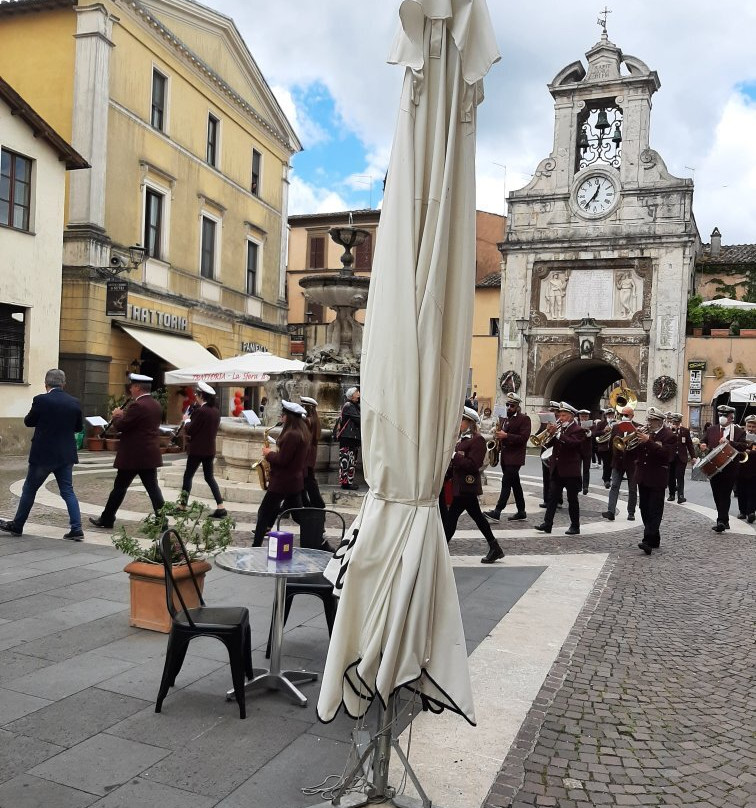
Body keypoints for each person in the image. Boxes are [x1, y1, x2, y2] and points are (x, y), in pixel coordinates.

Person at [0, 369, 84, 540]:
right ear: (64, 384)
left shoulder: (41, 400)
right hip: (65, 455)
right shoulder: (74, 402)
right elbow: (78, 427)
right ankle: (76, 528)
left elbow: (29, 421)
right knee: (68, 491)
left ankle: (17, 525)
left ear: (46, 384)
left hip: (43, 455)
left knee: (29, 489)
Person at [89, 373, 165, 529]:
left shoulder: (137, 405)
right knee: (153, 488)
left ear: (137, 387)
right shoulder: (155, 404)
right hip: (148, 454)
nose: (130, 389)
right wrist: (125, 415)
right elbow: (138, 423)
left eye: (132, 386)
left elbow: (122, 426)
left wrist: (117, 416)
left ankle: (107, 519)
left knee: (119, 488)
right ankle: (163, 521)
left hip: (133, 455)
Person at [443, 407, 504, 564]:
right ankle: (494, 547)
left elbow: (473, 465)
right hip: (461, 486)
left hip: (466, 486)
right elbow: (456, 465)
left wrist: (455, 456)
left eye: (462, 420)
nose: (459, 423)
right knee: (475, 517)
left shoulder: (477, 440)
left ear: (470, 423)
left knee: (452, 518)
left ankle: (440, 550)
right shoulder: (462, 439)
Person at [252, 401, 310, 546]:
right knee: (298, 515)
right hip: (293, 481)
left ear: (289, 417)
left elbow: (283, 460)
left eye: (283, 415)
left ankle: (255, 546)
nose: (281, 417)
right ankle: (315, 539)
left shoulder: (291, 435)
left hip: (283, 481)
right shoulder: (301, 432)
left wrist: (268, 454)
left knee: (263, 512)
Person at [535, 402, 585, 535]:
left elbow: (572, 444)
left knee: (572, 499)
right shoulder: (560, 429)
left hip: (570, 471)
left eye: (563, 415)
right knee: (552, 498)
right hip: (557, 469)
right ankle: (547, 523)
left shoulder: (578, 430)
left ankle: (575, 526)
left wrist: (557, 434)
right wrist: (548, 434)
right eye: (560, 415)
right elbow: (549, 444)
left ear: (571, 416)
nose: (560, 418)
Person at [179, 381, 226, 518]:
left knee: (188, 476)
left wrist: (186, 420)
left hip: (197, 449)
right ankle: (220, 506)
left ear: (201, 396)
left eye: (197, 394)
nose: (196, 397)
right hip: (209, 449)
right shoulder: (216, 412)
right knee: (209, 477)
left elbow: (191, 430)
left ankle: (182, 506)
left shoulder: (201, 411)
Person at [634, 407, 676, 555]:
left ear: (660, 421)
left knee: (654, 510)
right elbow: (636, 452)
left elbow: (667, 455)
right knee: (644, 508)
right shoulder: (645, 433)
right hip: (643, 476)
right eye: (649, 420)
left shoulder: (668, 435)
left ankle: (647, 540)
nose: (649, 423)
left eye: (652, 420)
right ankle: (655, 538)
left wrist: (648, 441)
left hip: (657, 477)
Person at [699, 404, 747, 532]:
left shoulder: (738, 431)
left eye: (725, 415)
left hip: (730, 468)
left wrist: (730, 443)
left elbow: (743, 446)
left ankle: (722, 520)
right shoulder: (712, 430)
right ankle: (723, 520)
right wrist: (702, 445)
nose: (722, 417)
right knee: (716, 494)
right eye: (720, 415)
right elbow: (703, 441)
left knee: (725, 493)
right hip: (714, 467)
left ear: (731, 417)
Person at [484, 393, 531, 521]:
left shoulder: (524, 419)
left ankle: (497, 511)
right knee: (515, 484)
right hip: (506, 456)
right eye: (507, 405)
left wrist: (506, 436)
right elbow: (501, 434)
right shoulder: (504, 418)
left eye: (512, 405)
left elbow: (523, 438)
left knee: (506, 483)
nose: (509, 407)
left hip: (515, 457)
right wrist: (497, 435)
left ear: (517, 406)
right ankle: (521, 511)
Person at [602, 405, 638, 521]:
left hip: (632, 462)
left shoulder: (638, 427)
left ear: (632, 415)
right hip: (618, 461)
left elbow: (641, 446)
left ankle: (631, 512)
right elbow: (612, 443)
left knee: (632, 488)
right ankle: (610, 511)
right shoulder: (616, 427)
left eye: (626, 415)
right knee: (614, 486)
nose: (624, 417)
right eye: (622, 414)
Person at [666, 413, 695, 504]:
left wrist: (693, 456)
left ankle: (680, 496)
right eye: (674, 422)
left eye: (677, 422)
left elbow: (689, 444)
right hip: (670, 457)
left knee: (680, 476)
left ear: (680, 422)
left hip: (681, 457)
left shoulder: (685, 431)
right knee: (670, 477)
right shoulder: (668, 431)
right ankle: (671, 494)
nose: (676, 423)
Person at [337, 386, 361, 490]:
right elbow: (358, 419)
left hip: (352, 438)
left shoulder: (355, 405)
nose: (359, 394)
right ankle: (345, 482)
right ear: (352, 395)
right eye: (357, 392)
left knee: (351, 461)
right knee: (346, 460)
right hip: (347, 438)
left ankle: (349, 481)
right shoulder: (349, 405)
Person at [735, 415, 756, 523]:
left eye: (753, 426)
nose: (751, 428)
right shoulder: (741, 436)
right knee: (741, 490)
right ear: (745, 426)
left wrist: (751, 452)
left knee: (752, 491)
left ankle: (751, 512)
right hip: (741, 468)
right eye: (749, 426)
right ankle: (742, 511)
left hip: (754, 469)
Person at [592, 407, 615, 488]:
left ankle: (606, 477)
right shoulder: (601, 424)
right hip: (604, 447)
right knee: (606, 464)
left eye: (612, 414)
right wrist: (603, 431)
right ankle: (606, 480)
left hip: (613, 447)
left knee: (611, 464)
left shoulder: (616, 424)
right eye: (609, 415)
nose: (610, 416)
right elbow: (594, 434)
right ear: (605, 416)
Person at [577, 409, 593, 495]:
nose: (584, 418)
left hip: (587, 451)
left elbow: (593, 434)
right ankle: (579, 485)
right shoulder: (576, 425)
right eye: (582, 416)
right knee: (578, 469)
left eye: (586, 416)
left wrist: (589, 432)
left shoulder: (591, 425)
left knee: (586, 469)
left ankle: (585, 486)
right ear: (579, 417)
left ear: (588, 417)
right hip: (578, 450)